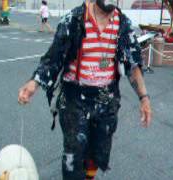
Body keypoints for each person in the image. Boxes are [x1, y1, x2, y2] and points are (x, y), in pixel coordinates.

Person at [18, 0, 153, 179]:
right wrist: (34, 83)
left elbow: (132, 64)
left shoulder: (123, 24)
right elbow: (53, 58)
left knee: (97, 153)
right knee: (73, 156)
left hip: (107, 99)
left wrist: (144, 97)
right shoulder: (73, 20)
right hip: (74, 98)